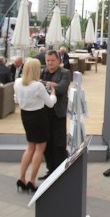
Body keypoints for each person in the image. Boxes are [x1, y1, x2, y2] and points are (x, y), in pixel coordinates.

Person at [13, 58, 56, 192]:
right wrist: (53, 93)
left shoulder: (18, 82)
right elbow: (50, 103)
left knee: (30, 146)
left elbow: (16, 99)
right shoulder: (38, 86)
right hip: (38, 116)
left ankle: (21, 177)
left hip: (25, 115)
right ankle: (32, 180)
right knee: (39, 149)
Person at [41, 49, 71, 179]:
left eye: (52, 60)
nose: (50, 63)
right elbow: (36, 86)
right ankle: (50, 170)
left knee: (59, 143)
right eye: (48, 60)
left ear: (58, 60)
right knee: (46, 143)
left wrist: (45, 84)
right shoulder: (43, 72)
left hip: (58, 113)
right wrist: (51, 85)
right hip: (44, 113)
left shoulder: (65, 73)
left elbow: (62, 88)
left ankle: (61, 172)